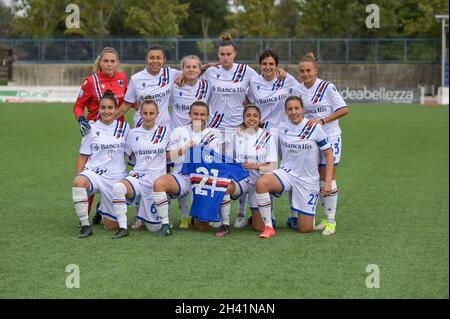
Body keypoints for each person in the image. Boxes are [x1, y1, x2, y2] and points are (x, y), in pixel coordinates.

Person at [235, 48, 300, 228]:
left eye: (271, 64)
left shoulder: (287, 79)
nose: (268, 67)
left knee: (289, 171)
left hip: (286, 134)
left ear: (277, 66)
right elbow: (247, 102)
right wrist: (247, 122)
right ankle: (267, 215)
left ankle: (293, 214)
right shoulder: (254, 81)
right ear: (260, 65)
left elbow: (301, 99)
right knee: (265, 174)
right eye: (265, 64)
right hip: (263, 134)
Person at [254, 96, 334, 238]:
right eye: (290, 109)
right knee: (261, 183)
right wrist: (244, 128)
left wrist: (327, 182)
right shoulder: (281, 127)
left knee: (305, 229)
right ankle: (268, 227)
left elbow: (328, 154)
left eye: (297, 108)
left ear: (303, 110)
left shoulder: (314, 128)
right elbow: (259, 133)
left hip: (307, 180)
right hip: (287, 174)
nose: (294, 112)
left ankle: (310, 217)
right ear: (285, 111)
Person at [294, 52, 349, 235]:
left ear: (315, 70)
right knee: (317, 177)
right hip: (311, 140)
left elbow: (343, 109)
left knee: (328, 176)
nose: (305, 74)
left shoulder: (327, 87)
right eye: (302, 71)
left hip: (330, 136)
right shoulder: (298, 90)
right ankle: (325, 218)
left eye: (308, 70)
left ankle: (331, 221)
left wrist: (323, 121)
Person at [72, 47, 127, 224]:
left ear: (117, 63)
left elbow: (129, 100)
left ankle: (105, 208)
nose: (109, 64)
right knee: (90, 172)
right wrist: (82, 120)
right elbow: (78, 105)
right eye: (106, 61)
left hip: (117, 132)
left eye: (112, 61)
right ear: (100, 62)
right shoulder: (91, 81)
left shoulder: (122, 78)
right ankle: (84, 217)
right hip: (95, 133)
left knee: (114, 175)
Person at [152, 101, 222, 236]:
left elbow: (217, 161)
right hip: (182, 176)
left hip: (203, 180)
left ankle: (200, 215)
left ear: (207, 116)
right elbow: (167, 157)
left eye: (202, 114)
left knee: (202, 227)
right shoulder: (179, 131)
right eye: (195, 114)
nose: (198, 117)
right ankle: (165, 224)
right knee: (159, 184)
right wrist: (183, 149)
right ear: (190, 115)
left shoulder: (214, 134)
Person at [71, 90, 129, 239]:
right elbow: (83, 155)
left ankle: (101, 209)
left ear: (116, 109)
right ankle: (85, 226)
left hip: (115, 177)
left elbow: (131, 153)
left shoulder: (124, 128)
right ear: (99, 109)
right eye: (103, 107)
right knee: (79, 182)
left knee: (111, 226)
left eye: (110, 108)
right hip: (94, 173)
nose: (106, 111)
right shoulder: (91, 128)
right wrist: (78, 178)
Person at [111, 97, 169, 239]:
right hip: (138, 176)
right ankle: (123, 228)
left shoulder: (165, 132)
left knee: (153, 227)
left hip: (155, 179)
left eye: (151, 114)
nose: (148, 117)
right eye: (145, 113)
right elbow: (126, 155)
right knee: (119, 187)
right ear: (140, 114)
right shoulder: (133, 133)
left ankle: (157, 220)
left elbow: (170, 156)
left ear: (157, 114)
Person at [169, 55, 212, 229]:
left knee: (198, 173)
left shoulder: (207, 86)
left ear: (200, 70)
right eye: (188, 67)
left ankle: (197, 213)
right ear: (182, 69)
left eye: (195, 67)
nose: (191, 70)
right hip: (178, 136)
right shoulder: (174, 84)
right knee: (181, 172)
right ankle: (184, 216)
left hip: (198, 136)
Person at [228, 105, 278, 232]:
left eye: (255, 116)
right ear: (244, 118)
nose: (252, 118)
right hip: (242, 180)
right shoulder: (236, 135)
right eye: (248, 115)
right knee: (224, 187)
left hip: (258, 184)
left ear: (260, 119)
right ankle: (224, 222)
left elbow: (272, 167)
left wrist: (253, 166)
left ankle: (258, 215)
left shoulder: (268, 137)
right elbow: (229, 160)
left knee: (258, 227)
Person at [115, 44, 180, 129]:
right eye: (152, 58)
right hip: (141, 127)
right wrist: (107, 121)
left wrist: (201, 68)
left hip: (163, 128)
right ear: (146, 59)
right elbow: (126, 104)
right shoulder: (136, 79)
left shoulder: (170, 74)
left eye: (158, 58)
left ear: (164, 60)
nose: (155, 61)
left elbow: (191, 72)